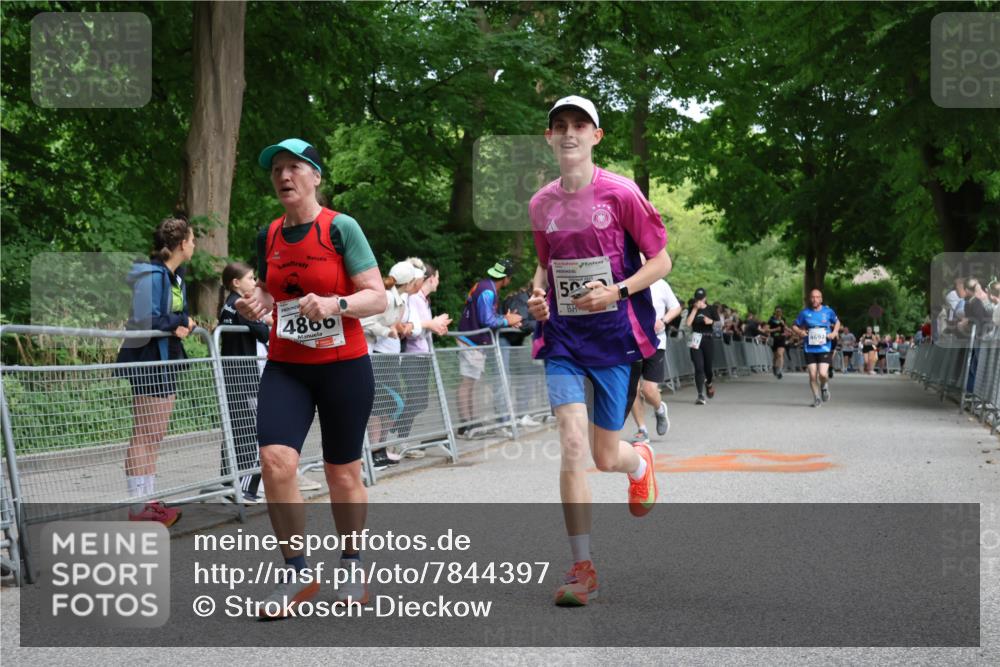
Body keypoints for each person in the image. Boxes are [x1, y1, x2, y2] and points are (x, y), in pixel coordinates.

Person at [526, 95, 670, 607]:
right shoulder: (541, 203)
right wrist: (538, 297)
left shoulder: (621, 193)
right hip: (563, 338)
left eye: (579, 125)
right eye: (559, 126)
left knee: (604, 456)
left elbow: (662, 261)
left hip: (616, 339)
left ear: (596, 136)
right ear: (549, 137)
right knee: (570, 444)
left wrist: (618, 291)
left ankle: (638, 464)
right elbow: (543, 266)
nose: (568, 133)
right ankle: (582, 567)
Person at [235, 138, 387, 618]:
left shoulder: (342, 229)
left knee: (342, 473)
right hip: (287, 366)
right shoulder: (270, 235)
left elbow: (378, 297)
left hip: (344, 366)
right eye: (276, 169)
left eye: (294, 167)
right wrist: (255, 300)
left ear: (315, 176)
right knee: (275, 461)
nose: (283, 176)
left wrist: (335, 304)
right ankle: (297, 570)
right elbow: (270, 287)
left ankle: (351, 562)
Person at [115, 217, 195, 527]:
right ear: (180, 244)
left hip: (167, 358)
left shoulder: (176, 276)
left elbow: (179, 312)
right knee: (144, 434)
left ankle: (149, 501)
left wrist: (184, 321)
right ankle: (138, 509)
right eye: (192, 240)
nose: (194, 245)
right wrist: (177, 323)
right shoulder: (151, 275)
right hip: (148, 357)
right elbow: (145, 319)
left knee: (155, 434)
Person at [361, 261, 424, 469]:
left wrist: (394, 327)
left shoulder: (397, 298)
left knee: (392, 404)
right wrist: (387, 331)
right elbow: (367, 322)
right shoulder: (387, 297)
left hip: (387, 357)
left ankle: (380, 448)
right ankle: (373, 452)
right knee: (382, 405)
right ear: (409, 282)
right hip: (375, 356)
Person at [218, 261, 271, 504]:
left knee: (235, 429)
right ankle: (245, 488)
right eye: (250, 278)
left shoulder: (226, 306)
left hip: (233, 377)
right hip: (246, 378)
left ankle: (231, 484)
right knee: (254, 430)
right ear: (236, 283)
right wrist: (266, 323)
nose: (254, 282)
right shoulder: (240, 306)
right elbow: (264, 332)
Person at [455, 259, 523, 436]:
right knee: (468, 382)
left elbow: (486, 315)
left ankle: (471, 422)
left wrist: (504, 318)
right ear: (506, 278)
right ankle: (467, 424)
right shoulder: (488, 291)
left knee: (471, 381)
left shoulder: (485, 285)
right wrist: (507, 320)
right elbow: (487, 320)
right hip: (471, 340)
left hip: (471, 338)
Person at [396, 262, 452, 454]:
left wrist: (437, 326)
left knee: (419, 400)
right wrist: (432, 324)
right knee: (416, 399)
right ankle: (398, 438)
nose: (439, 281)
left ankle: (400, 437)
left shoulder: (423, 300)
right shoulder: (414, 299)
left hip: (422, 355)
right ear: (430, 279)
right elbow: (412, 329)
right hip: (412, 355)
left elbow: (423, 328)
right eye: (437, 277)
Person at [629, 277, 681, 441]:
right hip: (631, 342)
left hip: (655, 342)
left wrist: (663, 321)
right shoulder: (626, 281)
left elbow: (676, 307)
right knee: (632, 390)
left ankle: (659, 409)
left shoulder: (660, 283)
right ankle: (642, 429)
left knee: (649, 389)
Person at [791, 289, 840, 407]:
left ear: (821, 299)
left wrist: (834, 333)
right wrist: (800, 332)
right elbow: (794, 325)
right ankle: (816, 398)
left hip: (824, 347)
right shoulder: (804, 313)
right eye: (812, 297)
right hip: (810, 348)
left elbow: (837, 322)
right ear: (810, 299)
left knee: (822, 374)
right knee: (812, 375)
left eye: (817, 297)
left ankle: (824, 386)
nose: (815, 299)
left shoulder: (828, 312)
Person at [685, 287, 718, 405]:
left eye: (701, 299)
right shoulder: (692, 308)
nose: (699, 301)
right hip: (696, 339)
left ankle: (708, 383)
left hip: (708, 339)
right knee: (698, 367)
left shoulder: (711, 309)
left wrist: (712, 322)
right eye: (697, 299)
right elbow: (688, 323)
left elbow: (720, 324)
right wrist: (694, 309)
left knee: (708, 368)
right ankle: (700, 395)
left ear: (705, 298)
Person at [762, 307, 789, 379]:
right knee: (775, 356)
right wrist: (775, 329)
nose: (779, 313)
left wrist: (788, 331)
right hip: (774, 339)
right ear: (775, 312)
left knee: (780, 354)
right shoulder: (771, 320)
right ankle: (774, 367)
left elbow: (785, 328)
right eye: (777, 311)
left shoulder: (783, 319)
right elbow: (766, 330)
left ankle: (780, 371)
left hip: (781, 339)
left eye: (780, 311)